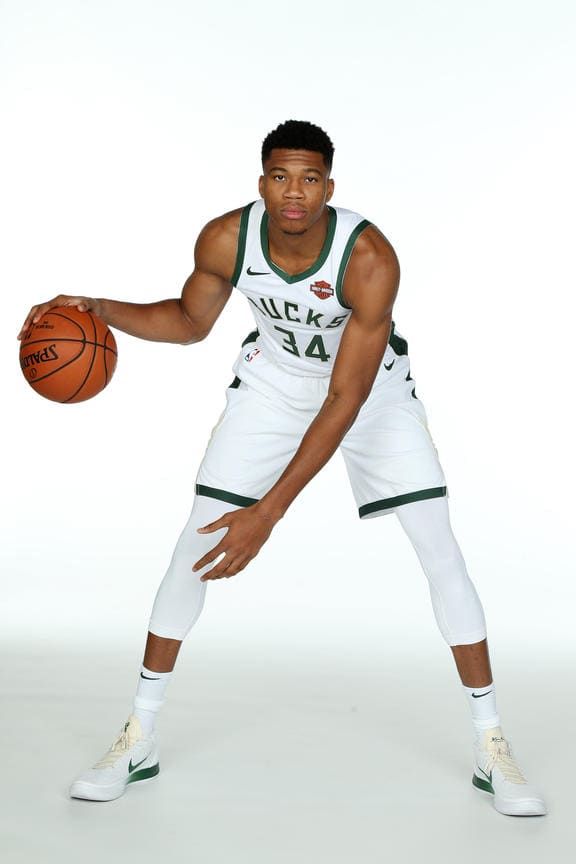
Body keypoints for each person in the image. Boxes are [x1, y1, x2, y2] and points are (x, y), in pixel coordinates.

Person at [18, 119, 546, 816]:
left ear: (330, 185)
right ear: (261, 179)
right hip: (272, 384)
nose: (294, 193)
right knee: (193, 550)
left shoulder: (369, 259)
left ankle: (491, 745)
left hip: (371, 395)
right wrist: (101, 311)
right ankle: (138, 734)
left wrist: (268, 514)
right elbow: (187, 320)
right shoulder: (226, 239)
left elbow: (345, 399)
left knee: (440, 550)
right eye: (279, 176)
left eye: (309, 179)